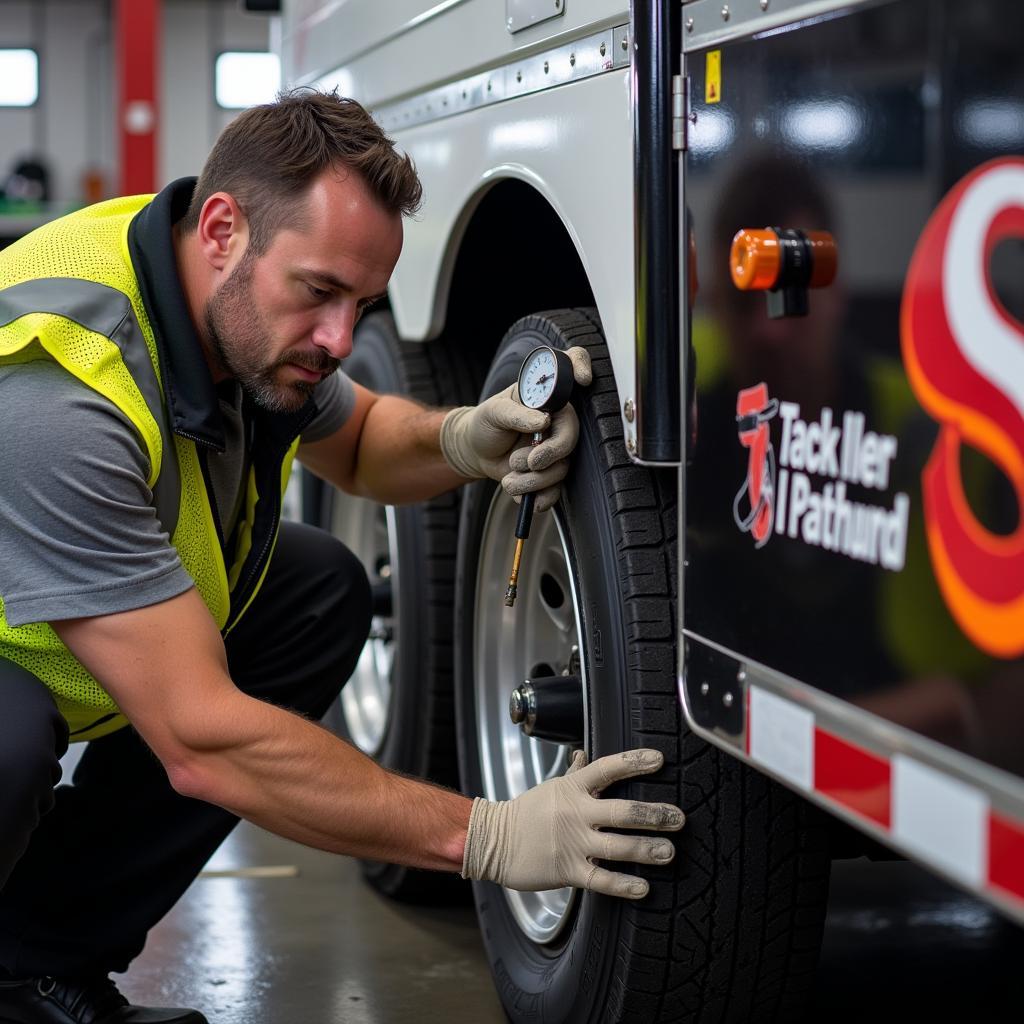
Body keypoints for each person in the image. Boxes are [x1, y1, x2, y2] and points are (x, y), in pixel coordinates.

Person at [0, 89, 684, 1024]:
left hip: (42, 620)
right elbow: (201, 740)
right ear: (222, 228)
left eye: (361, 304)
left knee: (317, 590)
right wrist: (483, 836)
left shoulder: (216, 297)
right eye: (319, 291)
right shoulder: (62, 395)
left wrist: (462, 439)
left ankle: (30, 969)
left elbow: (358, 440)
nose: (338, 338)